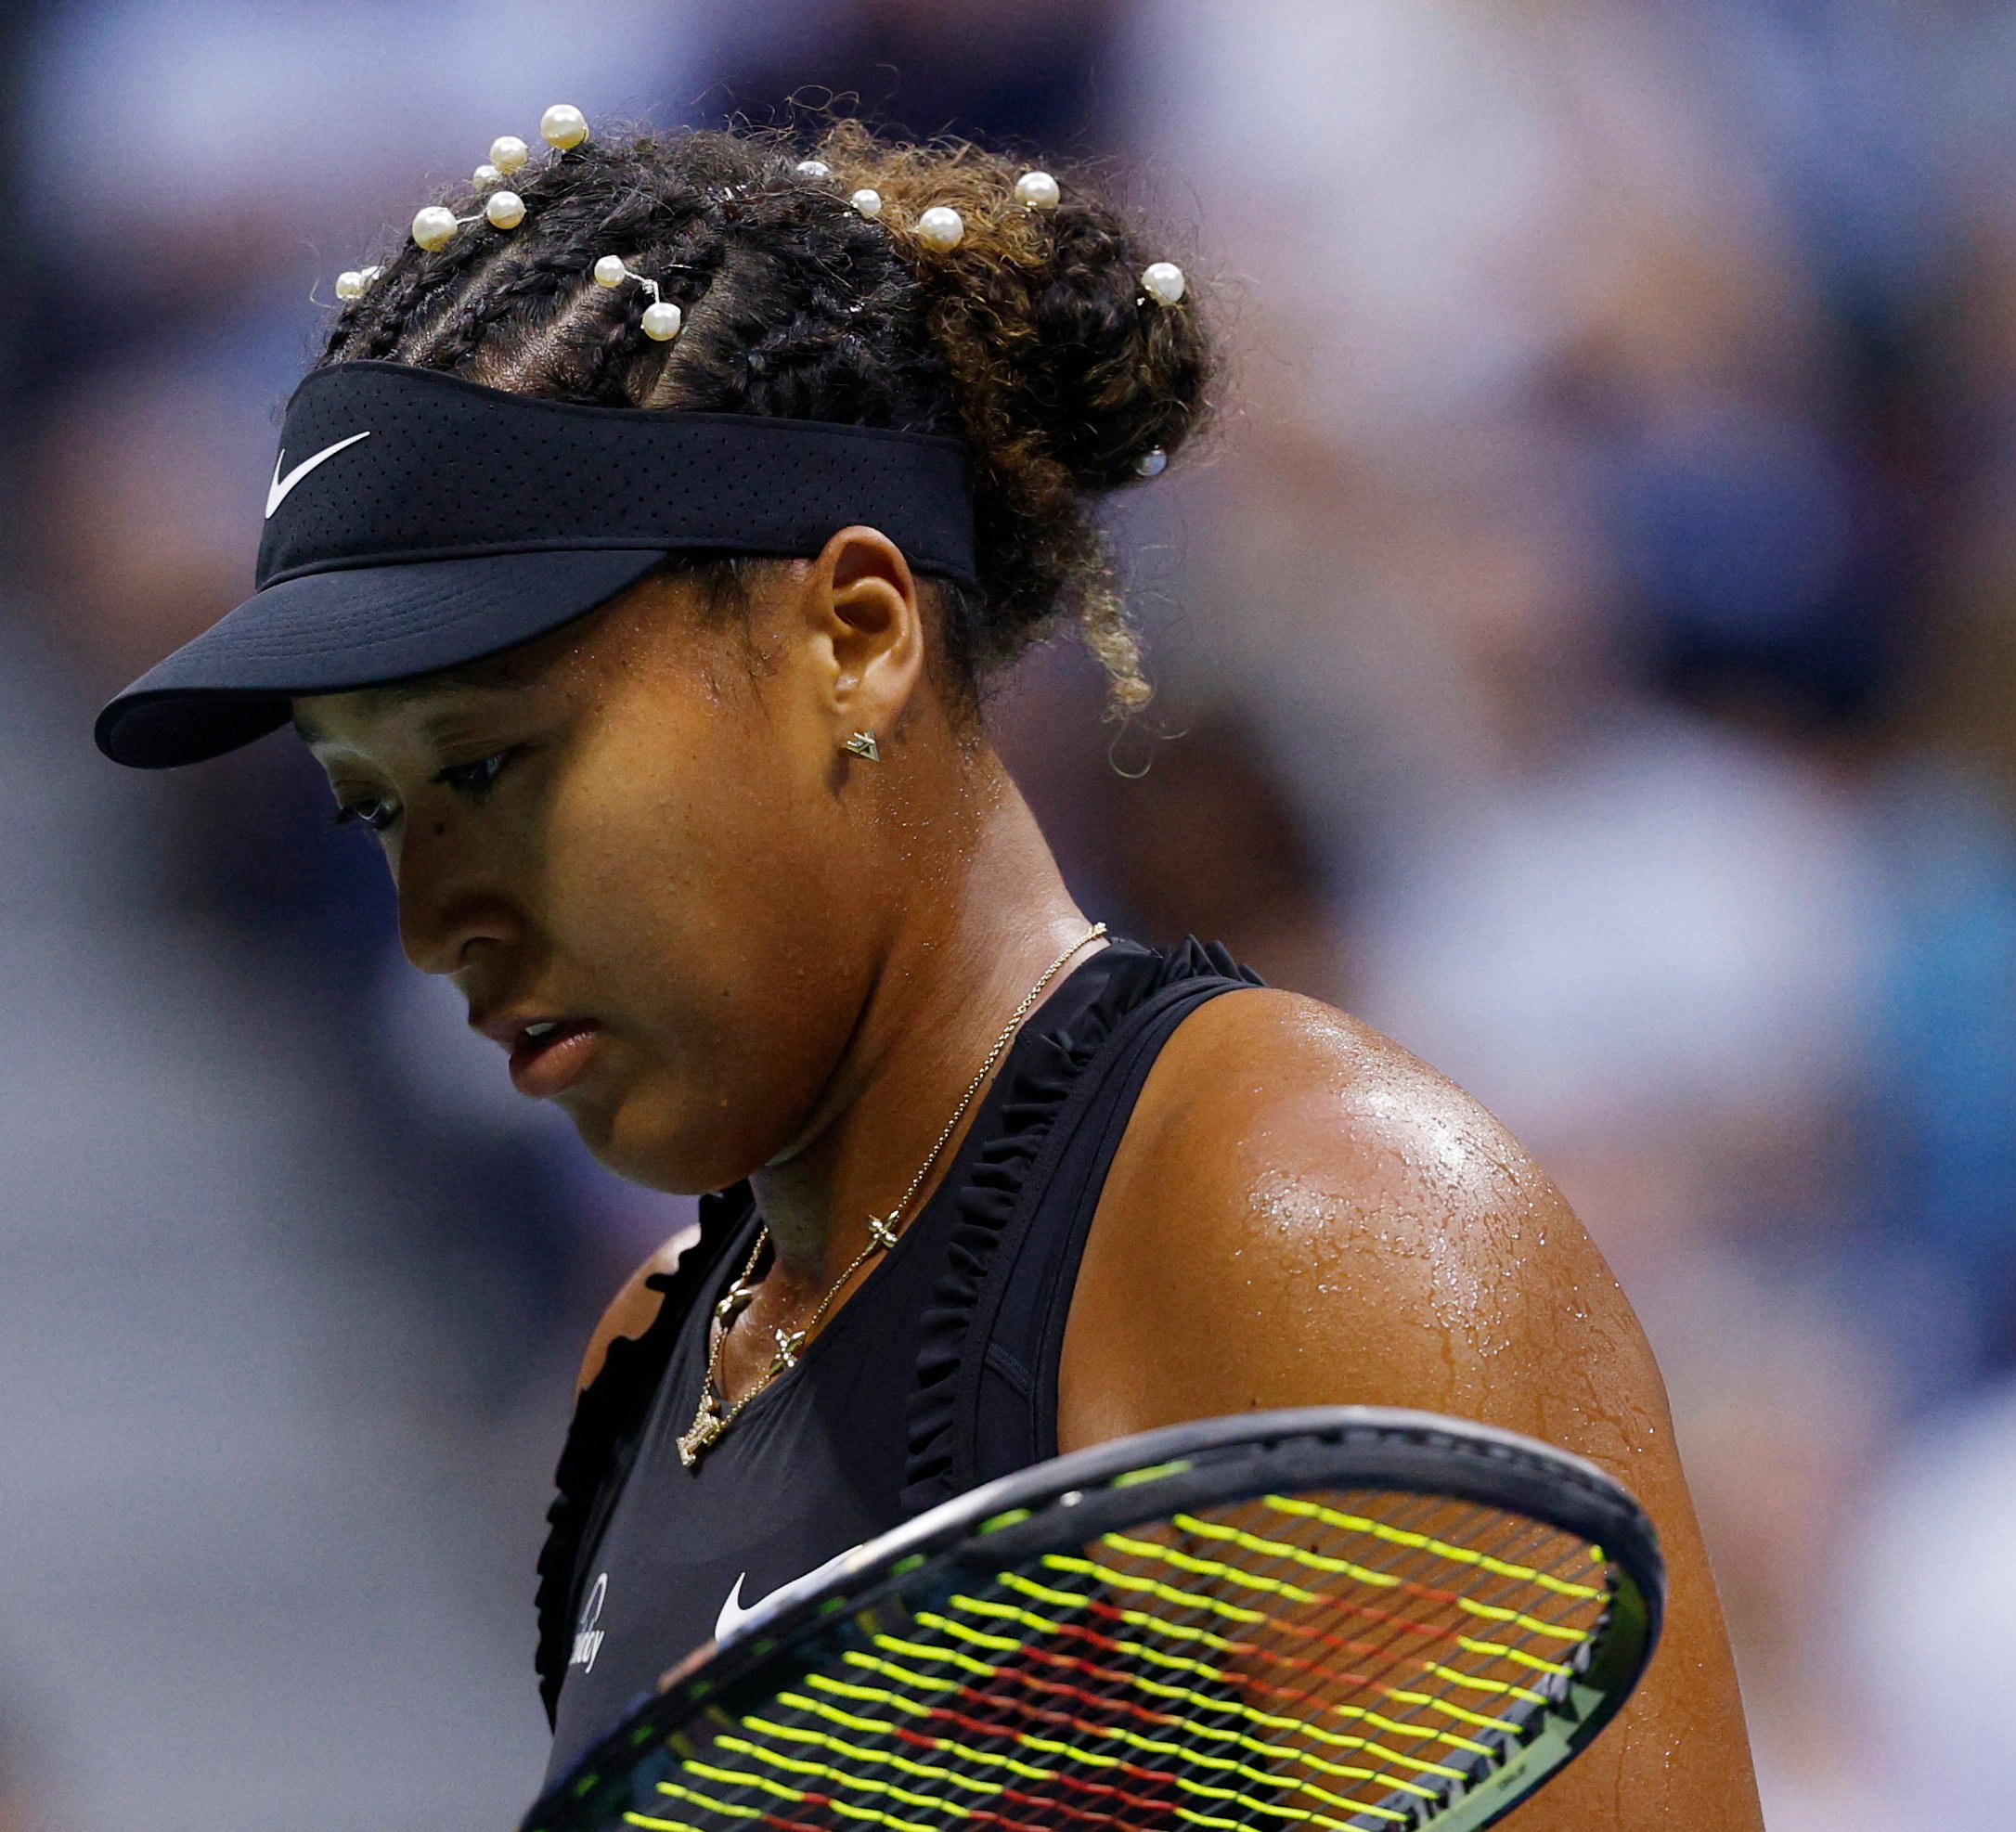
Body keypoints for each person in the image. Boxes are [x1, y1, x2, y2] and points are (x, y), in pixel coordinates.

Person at [89, 113, 1763, 1822]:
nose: (435, 915)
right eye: (377, 808)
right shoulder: (654, 1356)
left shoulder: (1308, 1217)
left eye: (496, 765)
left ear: (858, 636)